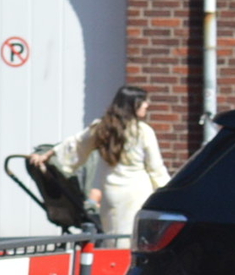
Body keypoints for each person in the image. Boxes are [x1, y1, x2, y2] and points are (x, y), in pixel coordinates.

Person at [34, 85, 171, 239]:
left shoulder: (103, 128)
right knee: (133, 238)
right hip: (137, 194)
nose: (147, 105)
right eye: (144, 101)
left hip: (111, 194)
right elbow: (156, 169)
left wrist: (48, 154)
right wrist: (169, 193)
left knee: (112, 236)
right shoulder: (143, 131)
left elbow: (76, 144)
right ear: (134, 104)